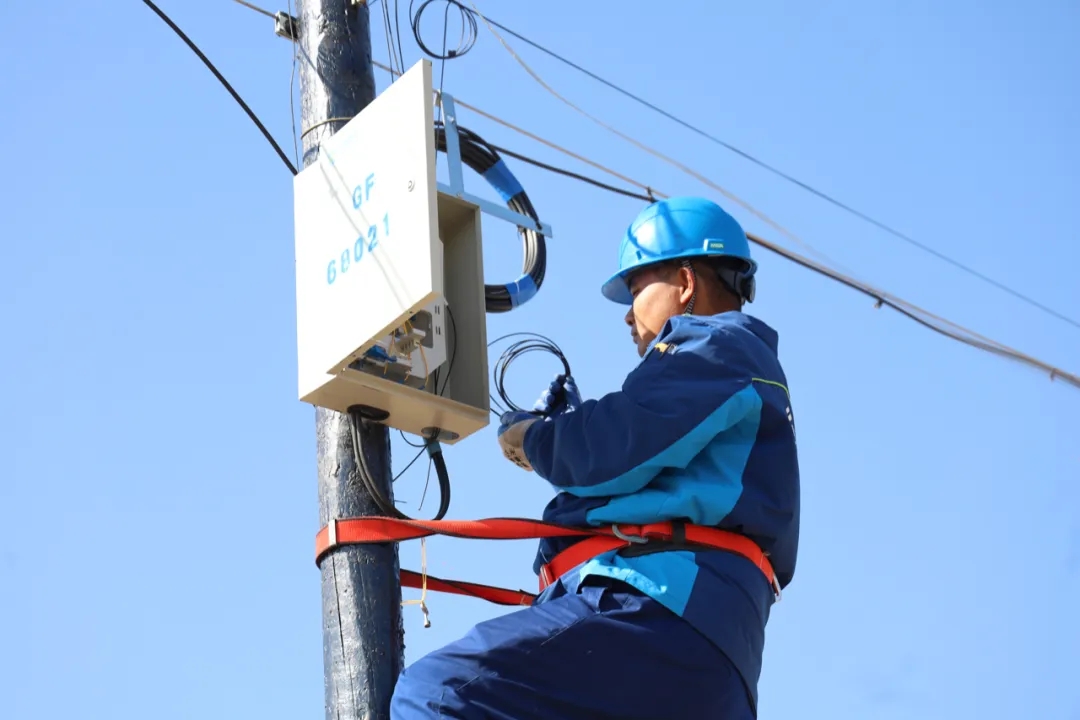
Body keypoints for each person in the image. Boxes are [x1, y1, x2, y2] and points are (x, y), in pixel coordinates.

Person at [390, 196, 800, 719]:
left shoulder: (718, 345)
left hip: (658, 612)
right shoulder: (732, 373)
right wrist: (572, 437)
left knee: (437, 692)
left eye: (636, 289)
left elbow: (614, 446)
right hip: (705, 650)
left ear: (685, 281)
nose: (628, 314)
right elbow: (633, 456)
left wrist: (537, 438)